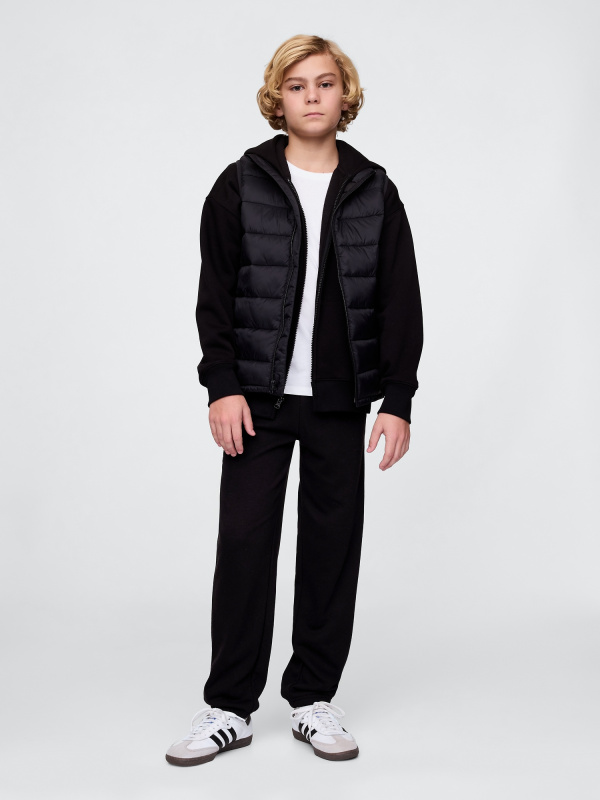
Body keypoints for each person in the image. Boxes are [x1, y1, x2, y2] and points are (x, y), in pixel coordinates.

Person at [165, 33, 424, 766]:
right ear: (276, 99)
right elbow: (216, 295)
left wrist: (397, 398)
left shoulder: (374, 189)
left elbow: (401, 301)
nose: (312, 96)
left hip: (341, 401)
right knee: (245, 546)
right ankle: (228, 706)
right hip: (258, 403)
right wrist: (223, 386)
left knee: (331, 550)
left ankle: (312, 698)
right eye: (297, 85)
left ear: (346, 95)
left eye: (326, 83)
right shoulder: (241, 183)